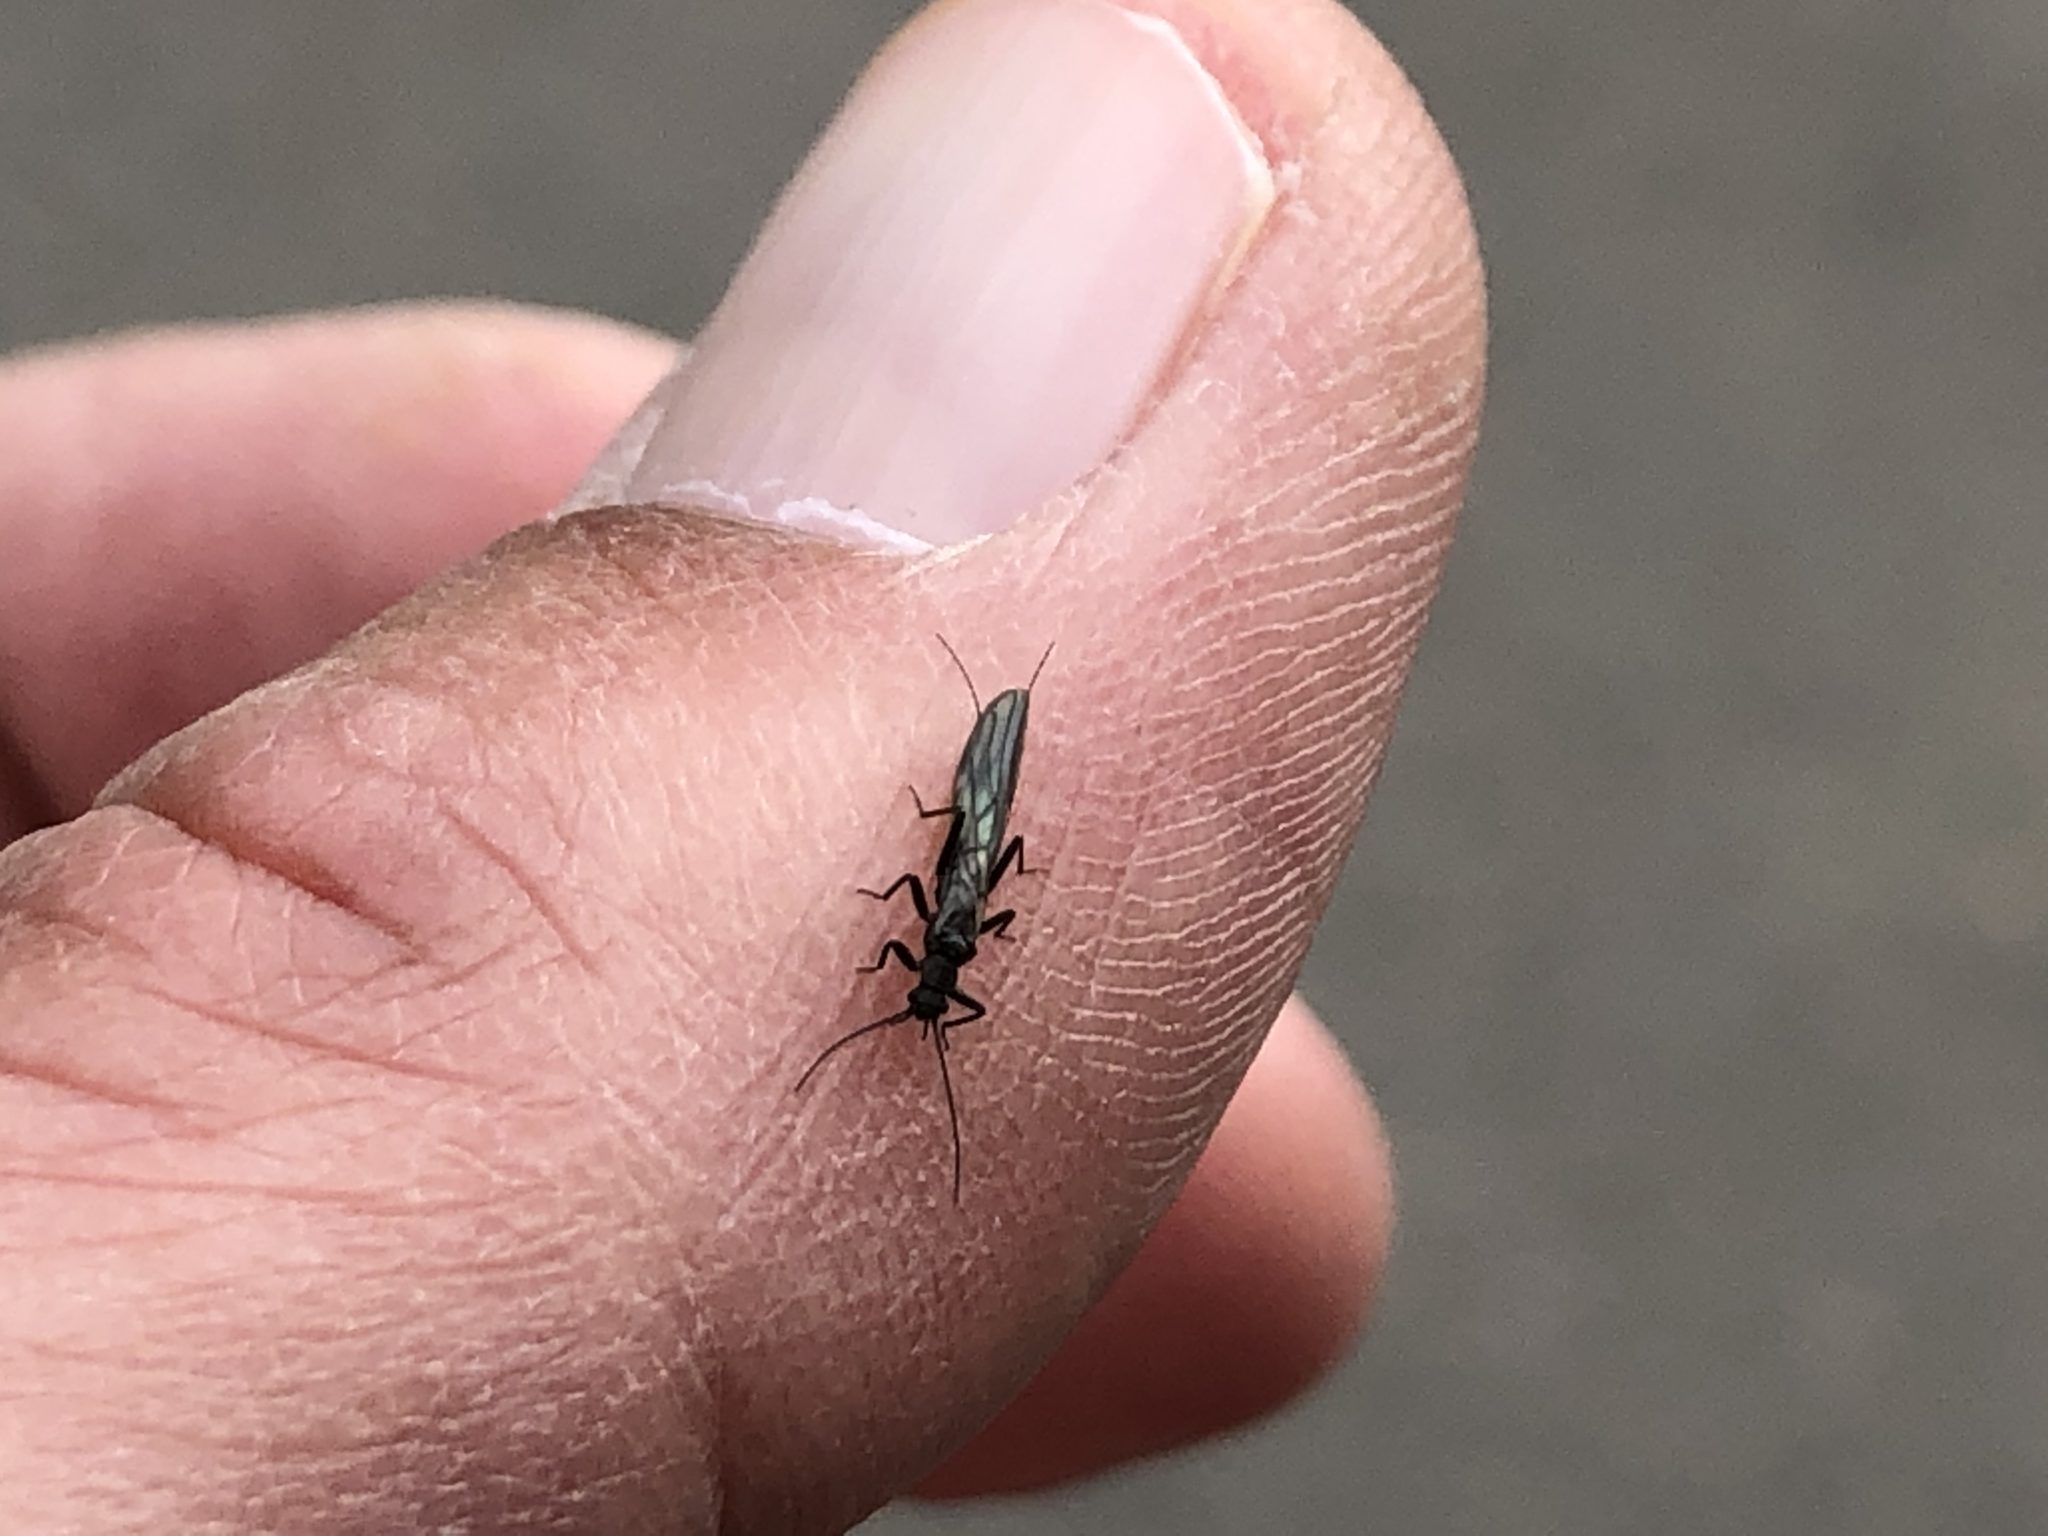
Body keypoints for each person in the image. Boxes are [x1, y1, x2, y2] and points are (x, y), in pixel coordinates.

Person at [0, 0, 1481, 1527]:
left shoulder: (937, 943)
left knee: (979, 843)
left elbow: (962, 898)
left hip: (985, 789)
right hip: (987, 788)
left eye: (925, 981)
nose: (923, 981)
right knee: (984, 849)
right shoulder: (938, 944)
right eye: (925, 985)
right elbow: (963, 895)